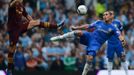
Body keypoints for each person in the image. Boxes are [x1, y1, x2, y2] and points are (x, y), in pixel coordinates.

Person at [50, 11, 126, 75]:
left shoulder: (113, 28)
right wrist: (77, 27)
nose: (104, 16)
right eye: (103, 15)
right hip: (90, 36)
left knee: (90, 58)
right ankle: (60, 37)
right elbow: (88, 26)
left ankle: (84, 74)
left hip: (96, 44)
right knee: (78, 32)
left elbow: (119, 35)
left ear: (110, 17)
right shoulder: (99, 22)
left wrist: (122, 41)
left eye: (106, 14)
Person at [7, 0, 64, 72]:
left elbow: (27, 15)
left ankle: (56, 26)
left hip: (20, 26)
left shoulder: (21, 6)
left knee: (36, 22)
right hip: (13, 29)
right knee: (12, 49)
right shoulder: (12, 5)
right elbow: (12, 4)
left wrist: (34, 23)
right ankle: (9, 69)